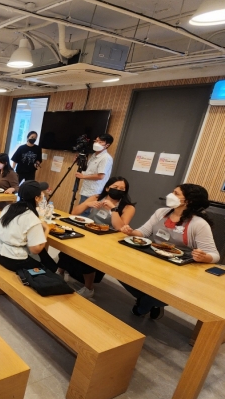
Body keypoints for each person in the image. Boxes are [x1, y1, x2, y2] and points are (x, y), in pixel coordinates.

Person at [121, 184, 220, 319]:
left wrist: (204, 257)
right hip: (154, 259)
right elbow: (143, 232)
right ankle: (150, 301)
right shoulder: (161, 212)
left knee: (158, 296)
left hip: (177, 270)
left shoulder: (199, 224)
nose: (170, 195)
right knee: (122, 273)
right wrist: (131, 232)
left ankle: (146, 304)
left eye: (176, 193)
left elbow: (215, 255)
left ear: (188, 201)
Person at [57, 177, 136, 299]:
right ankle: (60, 272)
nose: (118, 190)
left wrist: (113, 209)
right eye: (115, 187)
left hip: (108, 239)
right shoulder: (96, 197)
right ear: (107, 188)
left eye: (122, 189)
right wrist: (87, 204)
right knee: (69, 245)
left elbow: (120, 228)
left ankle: (89, 288)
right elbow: (74, 212)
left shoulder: (128, 207)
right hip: (89, 232)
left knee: (87, 258)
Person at [0, 180, 58, 273]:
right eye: (41, 194)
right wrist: (47, 229)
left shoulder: (9, 208)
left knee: (42, 255)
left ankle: (55, 268)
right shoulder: (31, 217)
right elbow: (35, 250)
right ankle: (55, 271)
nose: (43, 195)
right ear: (37, 198)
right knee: (46, 267)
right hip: (13, 260)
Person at [76, 134, 114, 213]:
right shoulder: (94, 155)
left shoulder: (106, 158)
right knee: (81, 212)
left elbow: (100, 176)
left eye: (100, 142)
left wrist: (83, 177)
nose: (97, 143)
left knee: (84, 214)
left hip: (94, 192)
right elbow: (89, 171)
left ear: (107, 145)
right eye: (96, 141)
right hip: (86, 189)